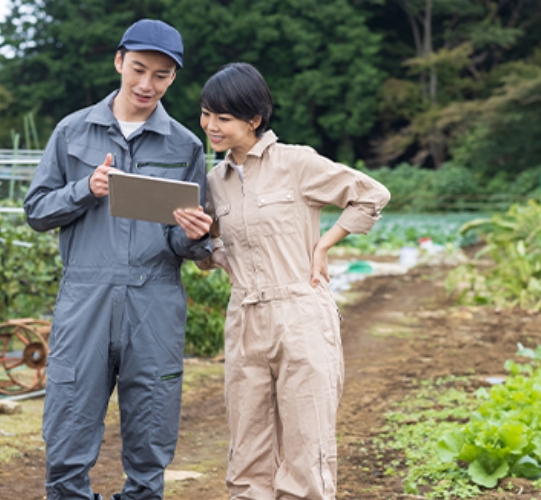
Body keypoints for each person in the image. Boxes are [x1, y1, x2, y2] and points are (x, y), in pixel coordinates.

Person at [24, 19, 213, 500]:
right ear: (118, 62)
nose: (147, 84)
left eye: (162, 75)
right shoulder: (72, 132)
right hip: (85, 296)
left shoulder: (185, 145)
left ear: (173, 78)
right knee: (69, 419)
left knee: (152, 423)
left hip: (155, 300)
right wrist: (84, 189)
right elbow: (37, 211)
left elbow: (183, 242)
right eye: (139, 69)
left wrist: (194, 236)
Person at [195, 62, 390, 499]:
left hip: (300, 312)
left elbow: (371, 195)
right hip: (244, 316)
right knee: (247, 450)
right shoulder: (214, 182)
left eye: (223, 118)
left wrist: (324, 245)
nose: (211, 126)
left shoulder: (297, 163)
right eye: (206, 114)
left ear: (254, 120)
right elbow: (207, 250)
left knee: (307, 445)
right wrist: (211, 253)